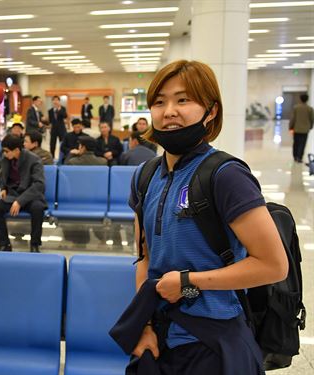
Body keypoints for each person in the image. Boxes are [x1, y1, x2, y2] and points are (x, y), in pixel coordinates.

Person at [129, 60, 287, 373]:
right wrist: (143, 325)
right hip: (160, 339)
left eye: (183, 99)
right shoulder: (144, 177)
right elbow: (144, 259)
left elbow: (273, 265)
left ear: (211, 111)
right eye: (159, 102)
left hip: (213, 341)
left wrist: (189, 282)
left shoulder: (225, 176)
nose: (169, 110)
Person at [0, 135, 46, 253]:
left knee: (38, 208)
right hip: (13, 195)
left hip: (30, 196)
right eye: (3, 151)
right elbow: (4, 173)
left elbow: (39, 184)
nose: (4, 154)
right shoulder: (7, 158)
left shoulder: (34, 160)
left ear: (16, 150)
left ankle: (35, 244)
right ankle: (4, 244)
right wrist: (1, 184)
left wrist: (20, 201)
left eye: (6, 151)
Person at [289, 93, 314, 163]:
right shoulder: (310, 109)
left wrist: (290, 126)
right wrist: (311, 126)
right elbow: (312, 119)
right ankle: (299, 157)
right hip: (305, 130)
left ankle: (295, 156)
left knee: (296, 143)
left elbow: (293, 118)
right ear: (307, 99)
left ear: (300, 99)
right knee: (302, 144)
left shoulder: (296, 108)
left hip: (296, 129)